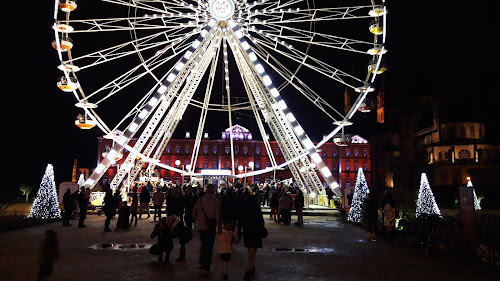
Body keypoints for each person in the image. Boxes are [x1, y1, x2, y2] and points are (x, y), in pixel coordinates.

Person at [192, 184, 222, 274]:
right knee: (209, 246)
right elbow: (217, 215)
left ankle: (201, 262)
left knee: (203, 243)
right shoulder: (216, 201)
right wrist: (219, 226)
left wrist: (199, 219)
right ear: (213, 190)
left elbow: (194, 213)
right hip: (210, 225)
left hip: (201, 225)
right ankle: (207, 266)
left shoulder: (200, 200)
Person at [237, 194, 266, 281]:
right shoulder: (257, 211)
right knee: (252, 254)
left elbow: (240, 223)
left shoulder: (244, 210)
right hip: (256, 233)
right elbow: (261, 222)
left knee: (251, 253)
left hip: (248, 233)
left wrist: (239, 233)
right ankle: (248, 272)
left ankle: (251, 269)